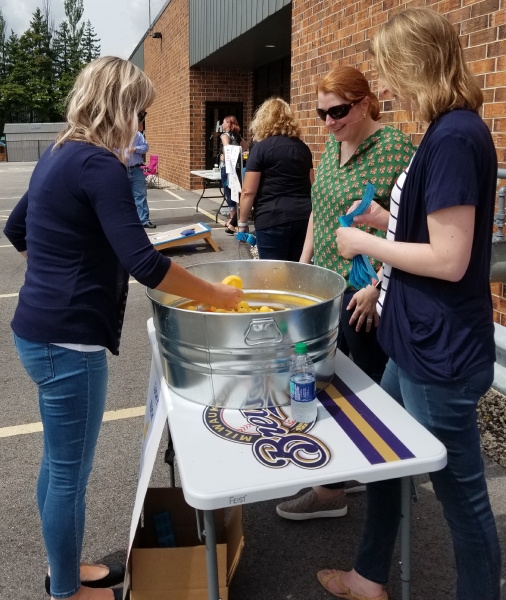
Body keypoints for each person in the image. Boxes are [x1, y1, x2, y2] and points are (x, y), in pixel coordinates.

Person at [3, 56, 242, 600]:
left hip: (35, 331)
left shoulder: (59, 153)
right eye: (140, 111)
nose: (142, 124)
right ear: (120, 106)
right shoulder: (100, 164)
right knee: (68, 474)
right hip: (69, 342)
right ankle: (64, 589)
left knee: (56, 462)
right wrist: (220, 295)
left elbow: (16, 228)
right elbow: (146, 263)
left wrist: (64, 259)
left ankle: (60, 563)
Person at [318, 8, 501, 600]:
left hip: (438, 351)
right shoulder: (450, 130)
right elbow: (431, 231)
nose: (388, 85)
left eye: (392, 70)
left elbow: (449, 258)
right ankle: (369, 577)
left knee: (462, 499)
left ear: (419, 64)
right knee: (383, 462)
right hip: (417, 343)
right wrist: (382, 218)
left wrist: (365, 241)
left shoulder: (452, 137)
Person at [275, 66, 414, 520]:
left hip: (368, 299)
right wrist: (302, 266)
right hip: (330, 291)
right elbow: (320, 211)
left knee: (370, 397)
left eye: (337, 111)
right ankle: (341, 481)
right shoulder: (335, 144)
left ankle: (362, 488)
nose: (328, 122)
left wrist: (377, 285)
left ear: (364, 102)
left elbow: (410, 229)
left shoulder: (394, 147)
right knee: (329, 386)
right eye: (321, 113)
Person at [238, 97, 314, 261]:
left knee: (273, 274)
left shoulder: (260, 148)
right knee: (297, 271)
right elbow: (311, 186)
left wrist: (242, 223)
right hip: (303, 217)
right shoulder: (303, 148)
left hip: (271, 217)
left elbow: (248, 192)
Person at [218, 115, 247, 233]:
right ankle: (234, 220)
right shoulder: (238, 136)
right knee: (236, 191)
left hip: (227, 167)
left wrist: (223, 156)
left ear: (228, 124)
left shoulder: (224, 135)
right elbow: (245, 147)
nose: (222, 125)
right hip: (237, 167)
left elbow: (226, 148)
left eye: (224, 122)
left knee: (229, 191)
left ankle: (231, 219)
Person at [126, 118, 155, 228]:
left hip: (136, 168)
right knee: (124, 196)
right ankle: (128, 221)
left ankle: (144, 220)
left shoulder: (137, 135)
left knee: (140, 195)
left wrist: (135, 149)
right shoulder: (117, 135)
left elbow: (145, 147)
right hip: (122, 168)